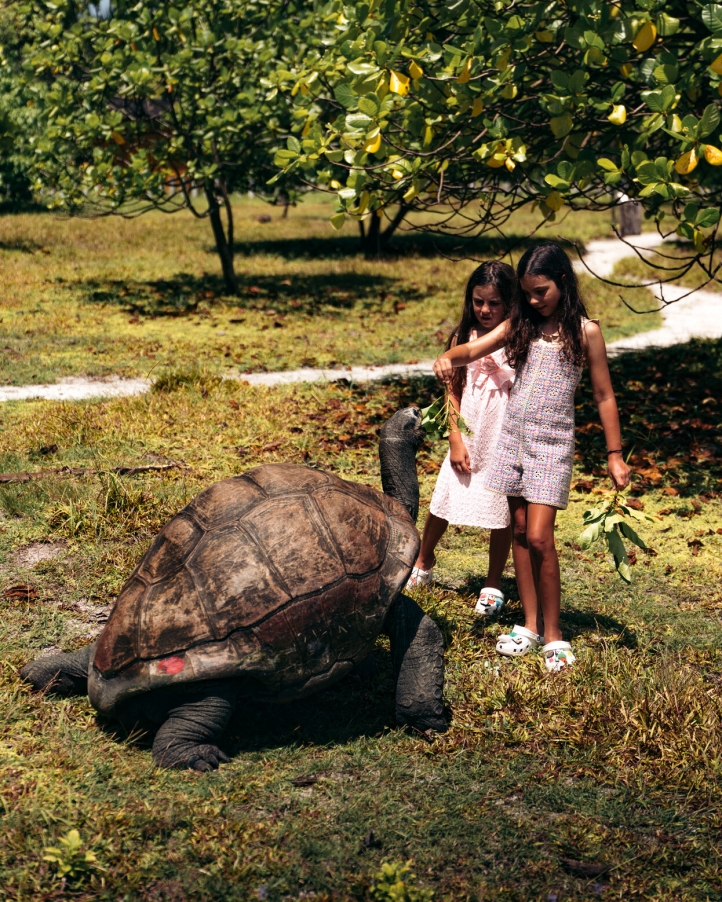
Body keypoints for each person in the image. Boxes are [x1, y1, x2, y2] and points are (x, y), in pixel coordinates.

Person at [433, 243, 631, 672]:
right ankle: (529, 624)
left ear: (563, 282)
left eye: (541, 292)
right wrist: (447, 357)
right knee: (519, 530)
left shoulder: (585, 331)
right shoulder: (520, 323)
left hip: (552, 445)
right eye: (527, 293)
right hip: (512, 441)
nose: (534, 301)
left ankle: (555, 635)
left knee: (541, 536)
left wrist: (614, 454)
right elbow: (474, 348)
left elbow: (603, 394)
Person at [408, 261, 516, 619]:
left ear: (510, 302)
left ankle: (494, 582)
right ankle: (423, 560)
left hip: (504, 435)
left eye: (494, 303)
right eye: (478, 301)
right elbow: (453, 393)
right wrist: (455, 439)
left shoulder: (518, 338)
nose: (485, 310)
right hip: (471, 432)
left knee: (502, 510)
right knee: (445, 498)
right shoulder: (463, 337)